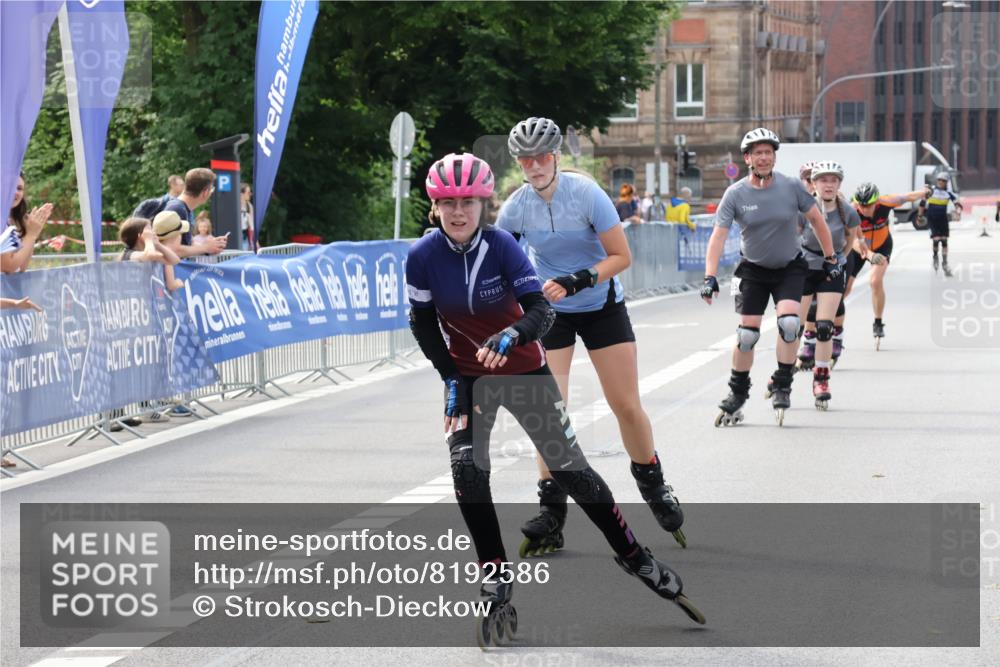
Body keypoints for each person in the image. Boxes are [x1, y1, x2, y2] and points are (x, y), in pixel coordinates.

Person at [407, 152, 703, 645]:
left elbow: (542, 312)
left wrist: (512, 335)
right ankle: (495, 573)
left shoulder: (502, 246)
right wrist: (451, 377)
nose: (458, 212)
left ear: (484, 204)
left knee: (571, 471)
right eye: (447, 203)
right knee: (466, 470)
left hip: (524, 369)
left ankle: (634, 556)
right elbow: (421, 323)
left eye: (468, 202)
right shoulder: (421, 256)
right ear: (434, 206)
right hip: (469, 378)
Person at [497, 117, 687, 552]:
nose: (535, 165)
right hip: (552, 312)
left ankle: (654, 484)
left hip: (601, 304)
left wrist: (578, 279)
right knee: (549, 409)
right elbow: (502, 264)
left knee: (624, 403)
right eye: (526, 158)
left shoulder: (586, 194)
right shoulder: (516, 207)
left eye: (543, 155)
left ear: (556, 156)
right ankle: (551, 509)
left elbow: (622, 256)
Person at [700, 128, 838, 427]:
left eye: (768, 152)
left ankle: (783, 383)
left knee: (790, 324)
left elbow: (817, 220)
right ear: (747, 158)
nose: (763, 158)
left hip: (790, 266)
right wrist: (709, 276)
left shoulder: (791, 187)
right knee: (746, 334)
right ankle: (737, 394)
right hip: (753, 269)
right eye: (757, 153)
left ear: (774, 156)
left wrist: (830, 258)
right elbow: (718, 237)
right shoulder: (735, 193)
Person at [795, 162, 859, 410]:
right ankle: (783, 375)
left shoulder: (848, 211)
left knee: (823, 327)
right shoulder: (803, 209)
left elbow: (849, 242)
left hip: (831, 269)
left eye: (833, 180)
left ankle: (821, 379)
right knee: (793, 327)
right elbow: (794, 238)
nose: (829, 185)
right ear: (814, 184)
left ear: (839, 184)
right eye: (823, 180)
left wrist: (837, 261)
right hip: (804, 267)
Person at [850, 181, 930, 348]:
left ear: (876, 202)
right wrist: (869, 255)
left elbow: (907, 197)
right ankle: (831, 322)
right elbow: (851, 241)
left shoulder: (886, 202)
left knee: (875, 281)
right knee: (844, 289)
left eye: (869, 205)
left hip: (882, 245)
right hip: (859, 248)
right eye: (862, 205)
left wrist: (924, 192)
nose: (865, 209)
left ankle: (878, 322)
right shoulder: (852, 210)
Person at [162, 168, 228, 258]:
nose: (211, 193)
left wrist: (211, 246)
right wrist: (205, 248)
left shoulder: (183, 208)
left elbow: (188, 243)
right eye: (212, 189)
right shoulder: (177, 209)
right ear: (205, 192)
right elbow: (172, 250)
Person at [2, 173, 53, 275]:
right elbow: (8, 266)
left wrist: (32, 232)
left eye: (19, 188)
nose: (15, 192)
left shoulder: (15, 221)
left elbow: (22, 267)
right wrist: (30, 235)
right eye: (10, 186)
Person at [920, 174, 963, 276]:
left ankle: (945, 263)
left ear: (946, 182)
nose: (940, 182)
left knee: (944, 240)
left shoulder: (948, 193)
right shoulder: (931, 191)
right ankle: (935, 256)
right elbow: (922, 203)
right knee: (936, 239)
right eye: (939, 180)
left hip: (943, 219)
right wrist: (919, 216)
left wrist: (958, 211)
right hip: (932, 219)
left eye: (943, 180)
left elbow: (958, 204)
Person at [240, 183, 255, 251]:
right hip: (235, 235)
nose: (250, 194)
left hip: (245, 236)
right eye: (248, 192)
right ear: (241, 194)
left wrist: (255, 240)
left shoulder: (249, 206)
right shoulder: (234, 205)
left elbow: (252, 226)